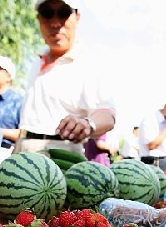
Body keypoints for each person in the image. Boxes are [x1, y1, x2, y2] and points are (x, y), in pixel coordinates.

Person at [13, 0, 116, 156]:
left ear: (77, 17)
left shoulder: (90, 63)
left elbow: (107, 115)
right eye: (47, 13)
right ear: (39, 19)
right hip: (23, 149)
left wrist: (88, 124)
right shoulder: (36, 61)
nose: (55, 23)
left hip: (62, 153)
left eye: (63, 13)